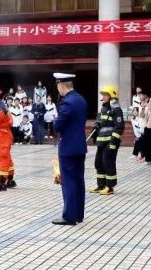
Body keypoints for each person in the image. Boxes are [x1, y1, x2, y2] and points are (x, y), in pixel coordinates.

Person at [52, 73, 87, 225]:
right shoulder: (80, 99)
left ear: (61, 85)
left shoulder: (67, 102)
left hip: (68, 148)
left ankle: (69, 216)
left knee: (69, 182)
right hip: (79, 146)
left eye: (57, 86)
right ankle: (78, 214)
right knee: (79, 180)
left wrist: (55, 120)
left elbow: (58, 125)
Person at [89, 85, 124, 195]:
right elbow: (100, 121)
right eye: (103, 94)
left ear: (111, 96)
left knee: (108, 163)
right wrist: (96, 126)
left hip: (110, 141)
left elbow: (119, 127)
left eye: (105, 94)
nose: (103, 96)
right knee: (98, 163)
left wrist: (113, 142)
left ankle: (110, 187)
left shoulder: (116, 109)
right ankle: (101, 185)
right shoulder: (103, 108)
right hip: (101, 141)